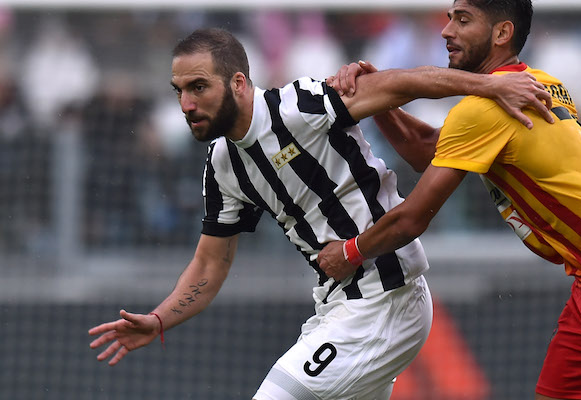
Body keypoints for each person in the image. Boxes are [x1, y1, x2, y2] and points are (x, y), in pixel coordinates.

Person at [87, 27, 553, 400]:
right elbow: (211, 262)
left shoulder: (299, 106)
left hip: (386, 300)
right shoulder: (222, 165)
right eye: (179, 91)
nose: (187, 104)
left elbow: (402, 82)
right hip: (336, 307)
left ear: (238, 83)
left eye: (198, 87)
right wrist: (161, 317)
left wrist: (490, 86)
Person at [317, 1, 581, 399]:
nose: (446, 30)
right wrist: (380, 94)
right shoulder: (537, 83)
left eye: (463, 20)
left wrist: (350, 252)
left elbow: (412, 218)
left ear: (502, 34)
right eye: (450, 17)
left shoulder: (484, 111)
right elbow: (425, 148)